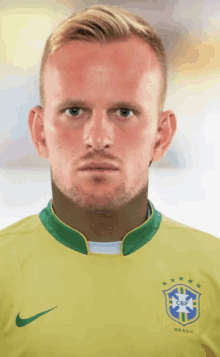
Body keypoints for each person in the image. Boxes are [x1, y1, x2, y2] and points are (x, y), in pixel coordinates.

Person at [0, 4, 219, 356]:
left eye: (124, 112)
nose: (98, 138)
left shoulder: (214, 272)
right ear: (40, 132)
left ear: (161, 136)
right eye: (74, 111)